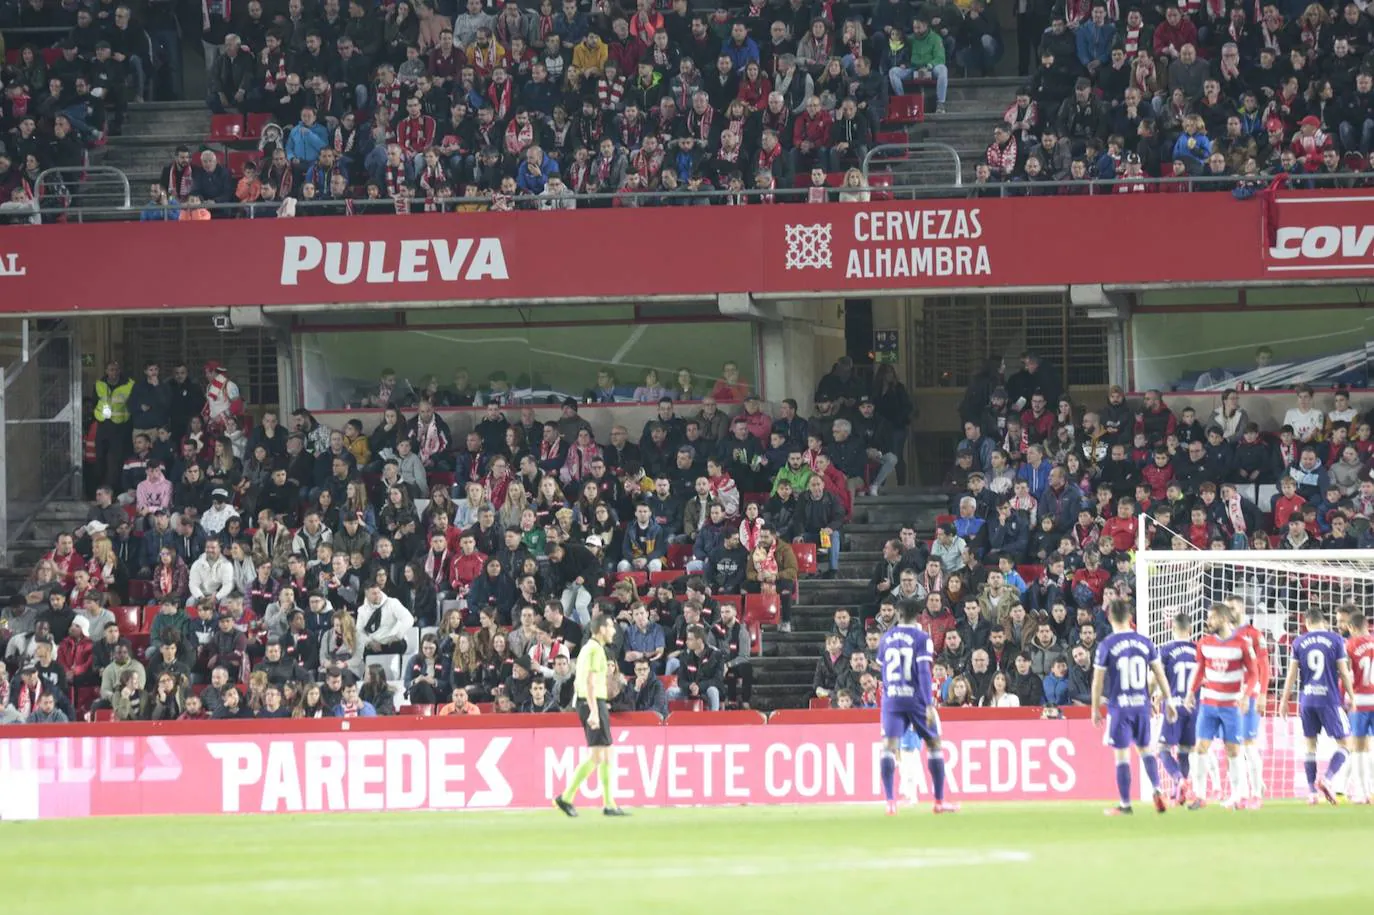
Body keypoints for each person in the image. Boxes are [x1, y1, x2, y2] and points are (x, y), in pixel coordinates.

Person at [1092, 599, 1173, 816]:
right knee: (1145, 750)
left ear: (1109, 618)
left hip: (1120, 707)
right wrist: (1169, 700)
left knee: (1122, 756)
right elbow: (1159, 674)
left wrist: (1094, 709)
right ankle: (1157, 789)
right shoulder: (1145, 642)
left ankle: (1126, 804)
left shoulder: (1107, 645)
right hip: (1142, 706)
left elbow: (1097, 682)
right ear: (1130, 617)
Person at [877, 599, 958, 816]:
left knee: (889, 748)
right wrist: (928, 704)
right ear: (919, 616)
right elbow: (923, 671)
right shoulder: (922, 638)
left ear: (898, 614)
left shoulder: (886, 639)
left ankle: (890, 802)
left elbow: (883, 672)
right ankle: (939, 801)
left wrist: (889, 696)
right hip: (915, 700)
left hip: (892, 699)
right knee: (934, 745)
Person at [1279, 606, 1356, 806]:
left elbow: (1291, 674)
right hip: (1329, 699)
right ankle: (1328, 778)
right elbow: (1344, 672)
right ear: (1325, 621)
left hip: (1307, 700)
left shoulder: (1298, 642)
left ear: (1306, 623)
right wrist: (1352, 696)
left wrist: (1284, 700)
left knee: (1310, 745)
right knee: (1346, 744)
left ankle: (1312, 792)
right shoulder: (1335, 640)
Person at [1184, 602, 1258, 810]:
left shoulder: (1242, 643)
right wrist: (1191, 692)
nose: (1209, 622)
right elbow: (1200, 670)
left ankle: (1238, 795)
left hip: (1231, 705)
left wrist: (1245, 696)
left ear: (1225, 619)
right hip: (1208, 704)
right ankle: (1200, 795)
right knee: (1200, 747)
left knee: (1233, 749)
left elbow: (1253, 674)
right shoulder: (1204, 643)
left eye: (1213, 618)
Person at [554, 613, 628, 817]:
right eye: (611, 627)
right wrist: (595, 711)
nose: (614, 631)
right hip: (592, 702)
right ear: (601, 629)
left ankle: (609, 803)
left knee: (605, 753)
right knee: (598, 755)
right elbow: (589, 680)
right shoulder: (595, 650)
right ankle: (567, 796)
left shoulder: (590, 648)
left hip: (590, 702)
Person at [1227, 596, 1272, 808]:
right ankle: (1240, 792)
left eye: (1233, 608)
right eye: (1227, 608)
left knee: (1248, 744)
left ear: (1242, 609)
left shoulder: (1253, 634)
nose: (1229, 611)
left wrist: (1262, 693)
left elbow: (1264, 665)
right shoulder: (1224, 636)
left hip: (1250, 695)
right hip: (1228, 698)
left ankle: (1256, 794)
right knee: (1232, 746)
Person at [1158, 613, 1200, 806]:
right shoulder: (1199, 650)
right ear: (1190, 629)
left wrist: (1157, 695)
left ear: (1172, 628)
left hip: (1173, 706)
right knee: (1185, 751)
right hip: (1193, 707)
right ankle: (1179, 795)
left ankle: (1178, 779)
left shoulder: (1166, 650)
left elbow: (1158, 677)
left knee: (1163, 749)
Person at [1343, 611, 1374, 804]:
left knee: (1358, 748)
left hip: (1359, 701)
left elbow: (1346, 674)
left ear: (1351, 628)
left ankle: (1363, 793)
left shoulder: (1350, 645)